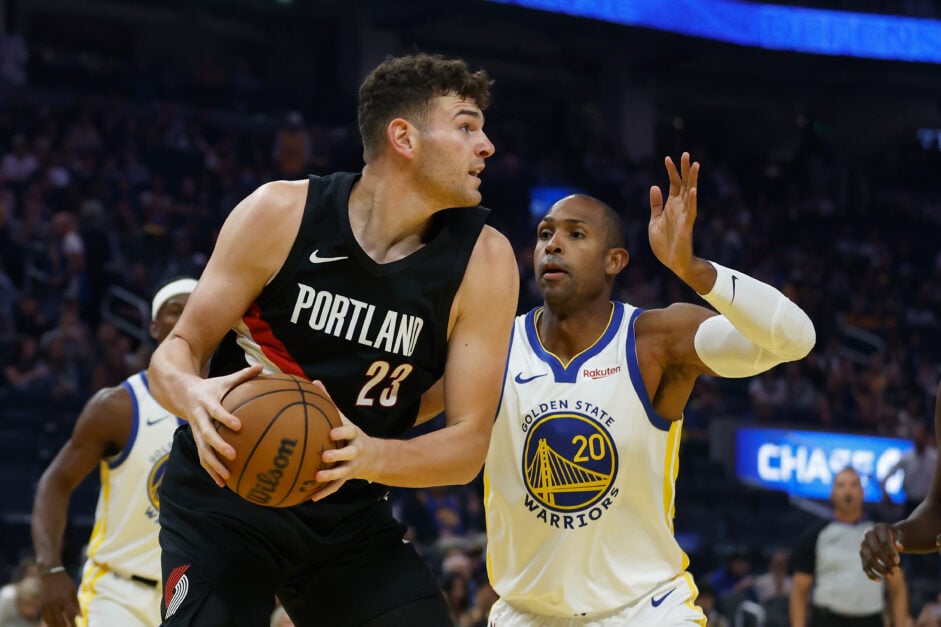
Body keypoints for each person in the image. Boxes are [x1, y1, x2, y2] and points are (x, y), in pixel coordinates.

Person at [147, 52, 518, 626]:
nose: (486, 145)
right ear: (404, 137)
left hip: (350, 517)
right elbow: (176, 351)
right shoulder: (280, 213)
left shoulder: (485, 260)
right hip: (224, 502)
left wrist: (370, 455)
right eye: (467, 125)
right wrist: (192, 395)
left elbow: (468, 447)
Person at [483, 152, 816, 625]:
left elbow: (795, 339)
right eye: (544, 234)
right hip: (526, 611)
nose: (553, 245)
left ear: (614, 260)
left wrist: (694, 268)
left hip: (646, 611)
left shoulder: (656, 340)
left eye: (575, 234)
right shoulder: (494, 343)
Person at [30, 277, 198, 627]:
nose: (185, 318)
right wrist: (51, 568)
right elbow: (55, 482)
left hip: (194, 598)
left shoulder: (237, 407)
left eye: (195, 309)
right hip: (119, 595)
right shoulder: (120, 406)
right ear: (153, 327)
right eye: (174, 310)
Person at [790, 467, 909, 627]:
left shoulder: (882, 535)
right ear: (832, 493)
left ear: (862, 492)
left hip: (871, 620)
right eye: (841, 485)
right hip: (826, 620)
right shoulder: (815, 535)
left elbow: (898, 588)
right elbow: (799, 591)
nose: (848, 491)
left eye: (854, 485)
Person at [860, 381, 941, 582]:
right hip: (912, 502)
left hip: (917, 499)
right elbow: (938, 507)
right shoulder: (907, 457)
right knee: (907, 565)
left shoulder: (931, 456)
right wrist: (895, 534)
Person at [880, 420, 937, 517]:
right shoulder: (906, 457)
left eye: (921, 435)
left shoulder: (935, 458)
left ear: (926, 437)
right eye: (916, 435)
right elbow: (885, 478)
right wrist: (885, 494)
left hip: (929, 504)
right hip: (910, 503)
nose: (919, 438)